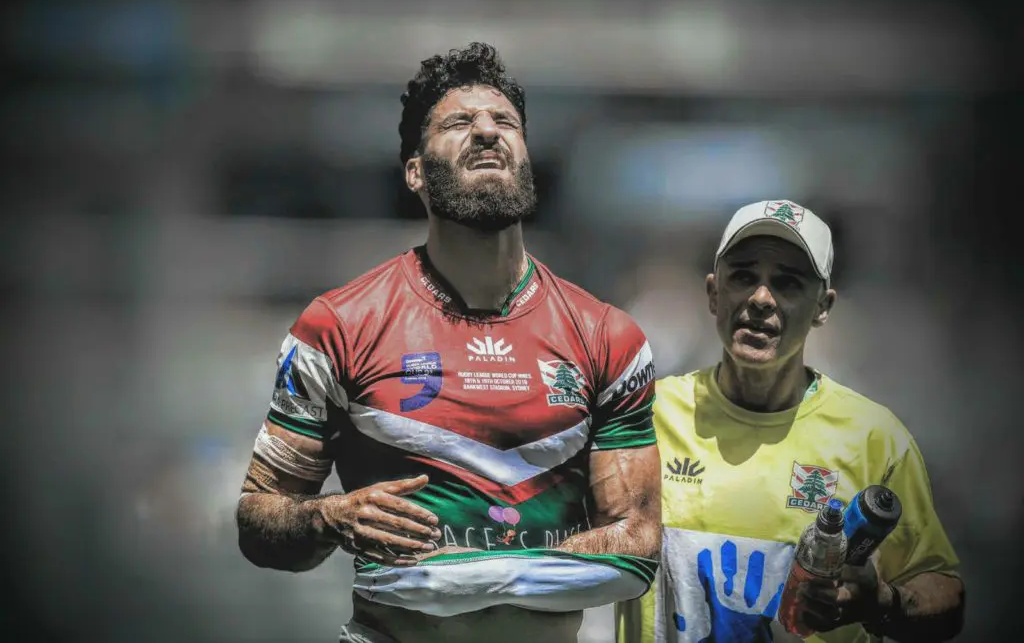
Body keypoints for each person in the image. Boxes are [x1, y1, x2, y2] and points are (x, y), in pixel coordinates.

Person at [235, 42, 662, 643]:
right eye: (459, 122)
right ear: (415, 171)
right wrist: (330, 515)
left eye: (505, 122)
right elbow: (259, 520)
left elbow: (636, 543)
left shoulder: (607, 336)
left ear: (525, 157)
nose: (487, 131)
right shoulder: (338, 325)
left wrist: (458, 577)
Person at [616, 200, 964, 643]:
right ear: (713, 293)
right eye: (743, 276)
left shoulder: (875, 439)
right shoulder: (644, 415)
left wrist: (880, 603)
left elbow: (945, 598)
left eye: (788, 283)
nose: (761, 298)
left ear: (823, 306)